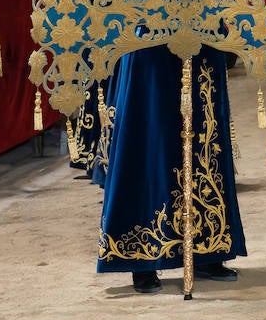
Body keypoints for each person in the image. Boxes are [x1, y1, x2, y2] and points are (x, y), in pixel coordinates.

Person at [98, 45, 246, 294]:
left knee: (205, 140)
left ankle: (207, 251)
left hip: (202, 38)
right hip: (149, 39)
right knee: (149, 140)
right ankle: (141, 259)